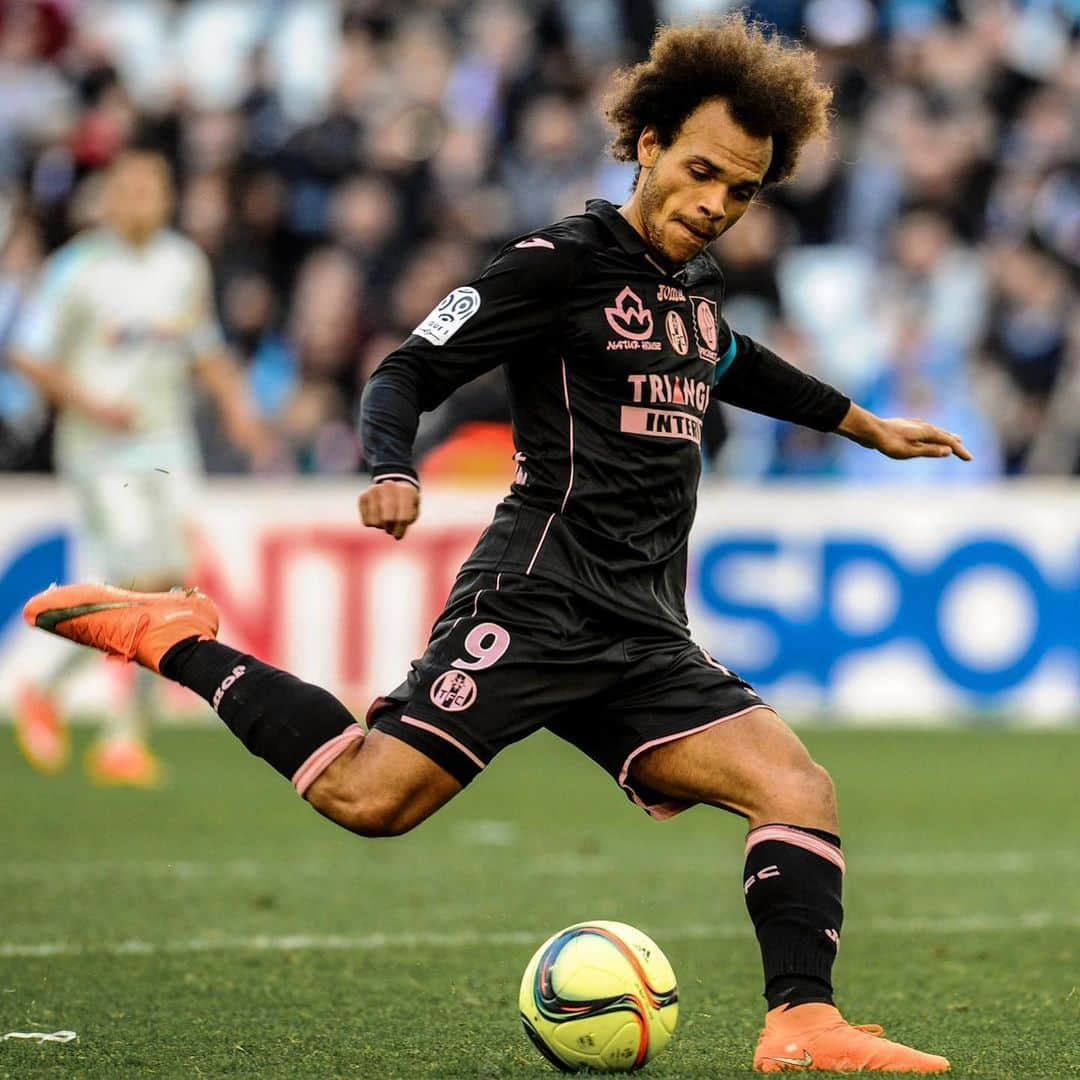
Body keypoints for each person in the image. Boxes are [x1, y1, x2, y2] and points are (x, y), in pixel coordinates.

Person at [23, 19, 964, 1072]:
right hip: (537, 599)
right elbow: (405, 370)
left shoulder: (696, 289)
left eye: (742, 191)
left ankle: (800, 1025)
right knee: (369, 799)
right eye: (702, 173)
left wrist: (859, 423)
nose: (716, 204)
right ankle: (178, 638)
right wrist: (391, 467)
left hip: (644, 624)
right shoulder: (554, 264)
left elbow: (729, 358)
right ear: (646, 143)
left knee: (799, 789)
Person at [13, 148, 270, 785]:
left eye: (151, 190)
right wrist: (92, 404)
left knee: (173, 587)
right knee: (141, 575)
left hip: (167, 441)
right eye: (127, 191)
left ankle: (122, 740)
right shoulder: (77, 268)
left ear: (165, 197)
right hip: (99, 448)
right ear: (109, 198)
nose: (140, 203)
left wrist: (239, 409)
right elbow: (27, 354)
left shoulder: (182, 262)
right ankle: (45, 689)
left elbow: (202, 344)